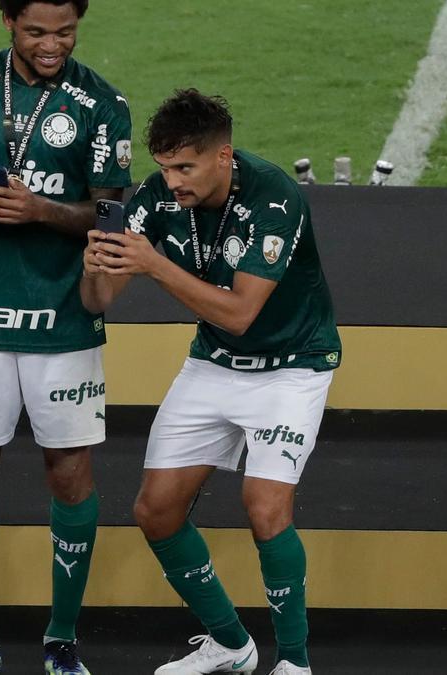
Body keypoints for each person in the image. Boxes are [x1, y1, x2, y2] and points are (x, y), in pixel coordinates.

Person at [82, 89, 341, 675]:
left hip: (292, 367)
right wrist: (96, 268)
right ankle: (231, 643)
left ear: (223, 156)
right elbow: (98, 299)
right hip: (214, 363)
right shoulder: (158, 197)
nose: (171, 181)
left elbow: (240, 312)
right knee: (156, 510)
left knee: (265, 507)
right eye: (164, 166)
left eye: (185, 167)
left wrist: (152, 264)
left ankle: (294, 663)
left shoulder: (275, 198)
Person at [0, 1, 132, 672]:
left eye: (65, 32)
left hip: (65, 321)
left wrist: (39, 209)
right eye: (38, 31)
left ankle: (61, 637)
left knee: (69, 473)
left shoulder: (100, 103)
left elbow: (113, 213)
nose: (52, 45)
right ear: (6, 19)